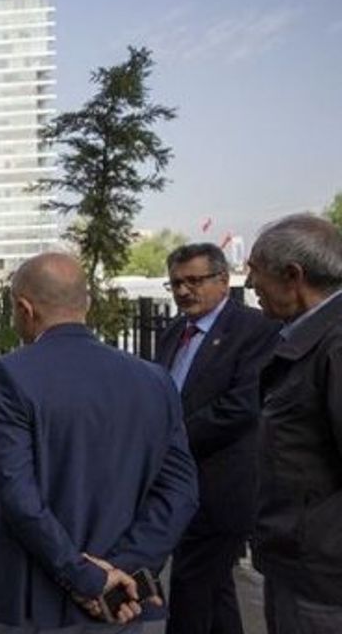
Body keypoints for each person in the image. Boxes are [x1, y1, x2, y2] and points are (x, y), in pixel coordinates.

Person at [0, 253, 198, 633]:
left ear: (24, 309)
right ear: (87, 304)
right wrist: (124, 568)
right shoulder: (154, 380)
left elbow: (18, 494)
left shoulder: (11, 375)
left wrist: (91, 579)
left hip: (30, 602)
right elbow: (180, 493)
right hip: (121, 600)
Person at [154, 243, 278, 634]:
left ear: (223, 280)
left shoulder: (254, 329)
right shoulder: (173, 331)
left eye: (194, 281)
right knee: (214, 588)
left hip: (223, 487)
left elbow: (241, 407)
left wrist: (171, 444)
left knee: (190, 586)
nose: (183, 291)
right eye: (176, 283)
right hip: (180, 486)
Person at [245, 214, 342, 633]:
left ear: (292, 276)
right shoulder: (312, 337)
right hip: (302, 568)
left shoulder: (334, 344)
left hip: (322, 582)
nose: (251, 285)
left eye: (256, 272)